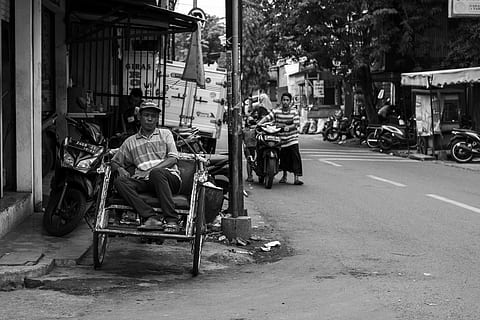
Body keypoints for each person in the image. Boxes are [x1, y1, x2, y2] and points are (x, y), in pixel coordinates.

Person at [111, 100, 182, 233]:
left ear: (157, 119)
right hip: (146, 182)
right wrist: (120, 169)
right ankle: (151, 217)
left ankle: (172, 219)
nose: (150, 119)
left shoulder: (165, 134)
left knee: (157, 173)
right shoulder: (130, 142)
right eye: (146, 115)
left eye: (153, 116)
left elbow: (173, 158)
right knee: (120, 182)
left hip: (168, 179)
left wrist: (149, 171)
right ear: (139, 117)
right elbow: (115, 162)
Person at [257, 92, 303, 185]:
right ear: (281, 101)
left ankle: (296, 178)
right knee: (283, 158)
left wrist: (288, 127)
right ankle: (284, 176)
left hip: (292, 138)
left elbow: (296, 124)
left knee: (295, 157)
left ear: (290, 102)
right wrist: (259, 124)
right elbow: (267, 118)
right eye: (284, 100)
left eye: (287, 100)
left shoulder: (294, 112)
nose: (285, 102)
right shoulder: (276, 111)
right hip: (280, 139)